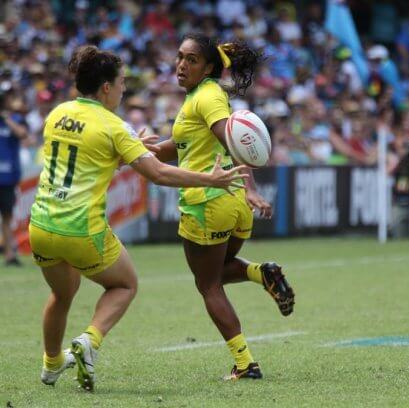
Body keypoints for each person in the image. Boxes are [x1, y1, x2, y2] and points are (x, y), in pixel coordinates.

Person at [31, 45, 248, 391]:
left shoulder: (57, 114)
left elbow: (90, 160)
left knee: (62, 294)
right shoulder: (114, 126)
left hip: (41, 226)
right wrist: (211, 178)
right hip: (81, 229)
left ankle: (51, 364)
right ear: (106, 87)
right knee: (125, 284)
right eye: (120, 85)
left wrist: (131, 148)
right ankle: (90, 341)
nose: (122, 91)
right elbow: (159, 174)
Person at [150, 33, 295, 381]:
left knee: (208, 286)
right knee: (219, 270)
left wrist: (251, 188)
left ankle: (245, 364)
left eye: (192, 60)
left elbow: (233, 141)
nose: (182, 65)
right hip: (231, 205)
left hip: (208, 202)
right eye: (180, 57)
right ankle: (262, 273)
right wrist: (137, 152)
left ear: (210, 68)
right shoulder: (201, 97)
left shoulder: (208, 97)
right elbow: (180, 146)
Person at [0, 92, 29, 266]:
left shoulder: (15, 119)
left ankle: (10, 254)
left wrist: (6, 119)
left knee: (7, 216)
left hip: (8, 178)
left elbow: (22, 134)